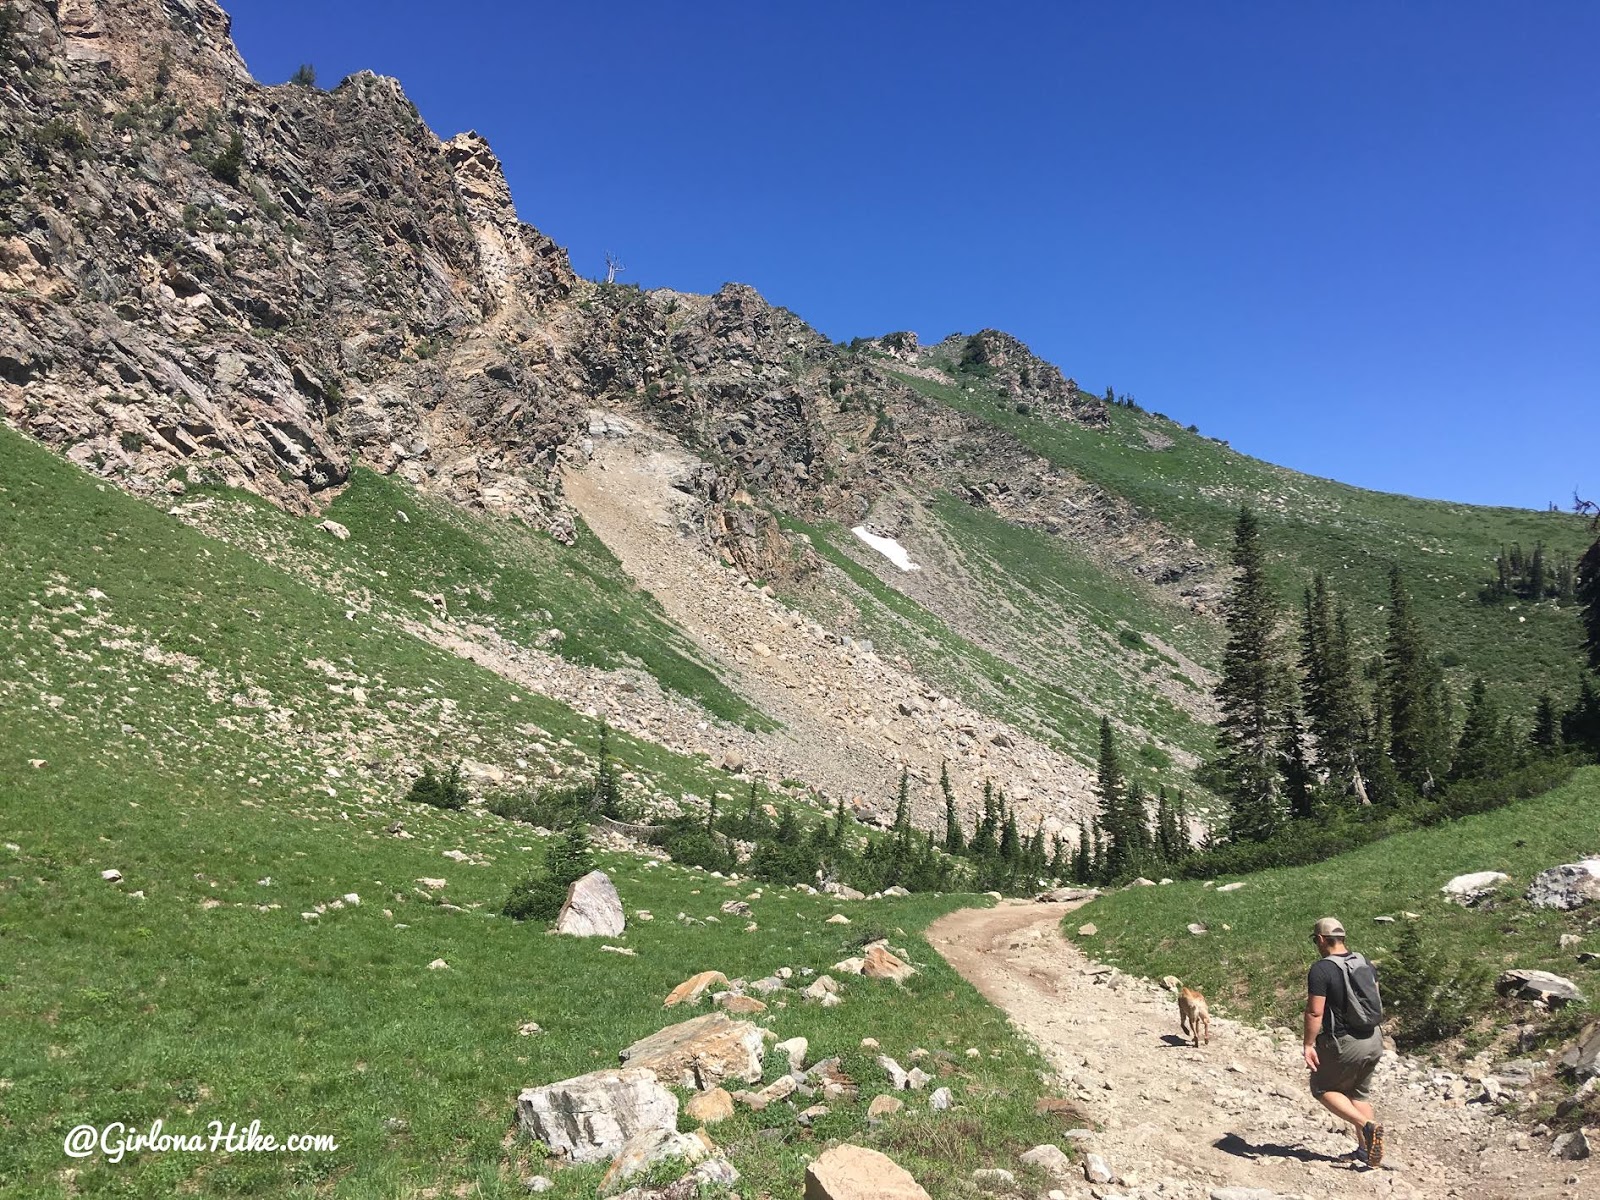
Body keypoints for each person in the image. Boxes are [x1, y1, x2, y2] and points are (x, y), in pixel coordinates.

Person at [1303, 916, 1385, 1167]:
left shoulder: (1322, 969)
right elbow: (1377, 997)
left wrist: (1308, 1044)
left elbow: (1315, 1012)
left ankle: (1366, 1126)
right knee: (1358, 1093)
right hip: (1373, 1038)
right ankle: (1367, 1152)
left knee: (1322, 1087)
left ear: (1320, 939)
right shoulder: (1364, 962)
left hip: (1345, 1042)